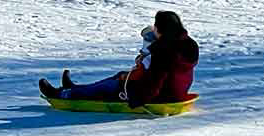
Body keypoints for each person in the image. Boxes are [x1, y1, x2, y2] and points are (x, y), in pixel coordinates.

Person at [39, 10, 199, 108]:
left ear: (161, 30)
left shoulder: (165, 51)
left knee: (111, 86)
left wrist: (137, 100)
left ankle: (61, 95)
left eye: (156, 27)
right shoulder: (186, 44)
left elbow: (156, 81)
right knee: (119, 77)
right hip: (176, 90)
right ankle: (74, 88)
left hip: (161, 95)